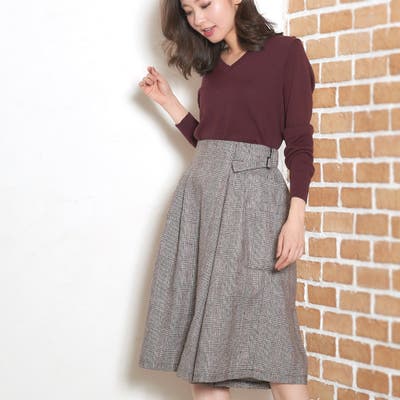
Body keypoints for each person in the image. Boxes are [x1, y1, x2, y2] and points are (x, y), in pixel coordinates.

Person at [137, 1, 315, 399]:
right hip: (201, 200)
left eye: (205, 4)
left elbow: (300, 143)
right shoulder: (212, 65)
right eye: (188, 11)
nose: (198, 19)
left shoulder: (286, 53)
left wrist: (296, 217)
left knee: (275, 337)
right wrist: (169, 102)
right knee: (207, 339)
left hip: (256, 203)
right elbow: (211, 141)